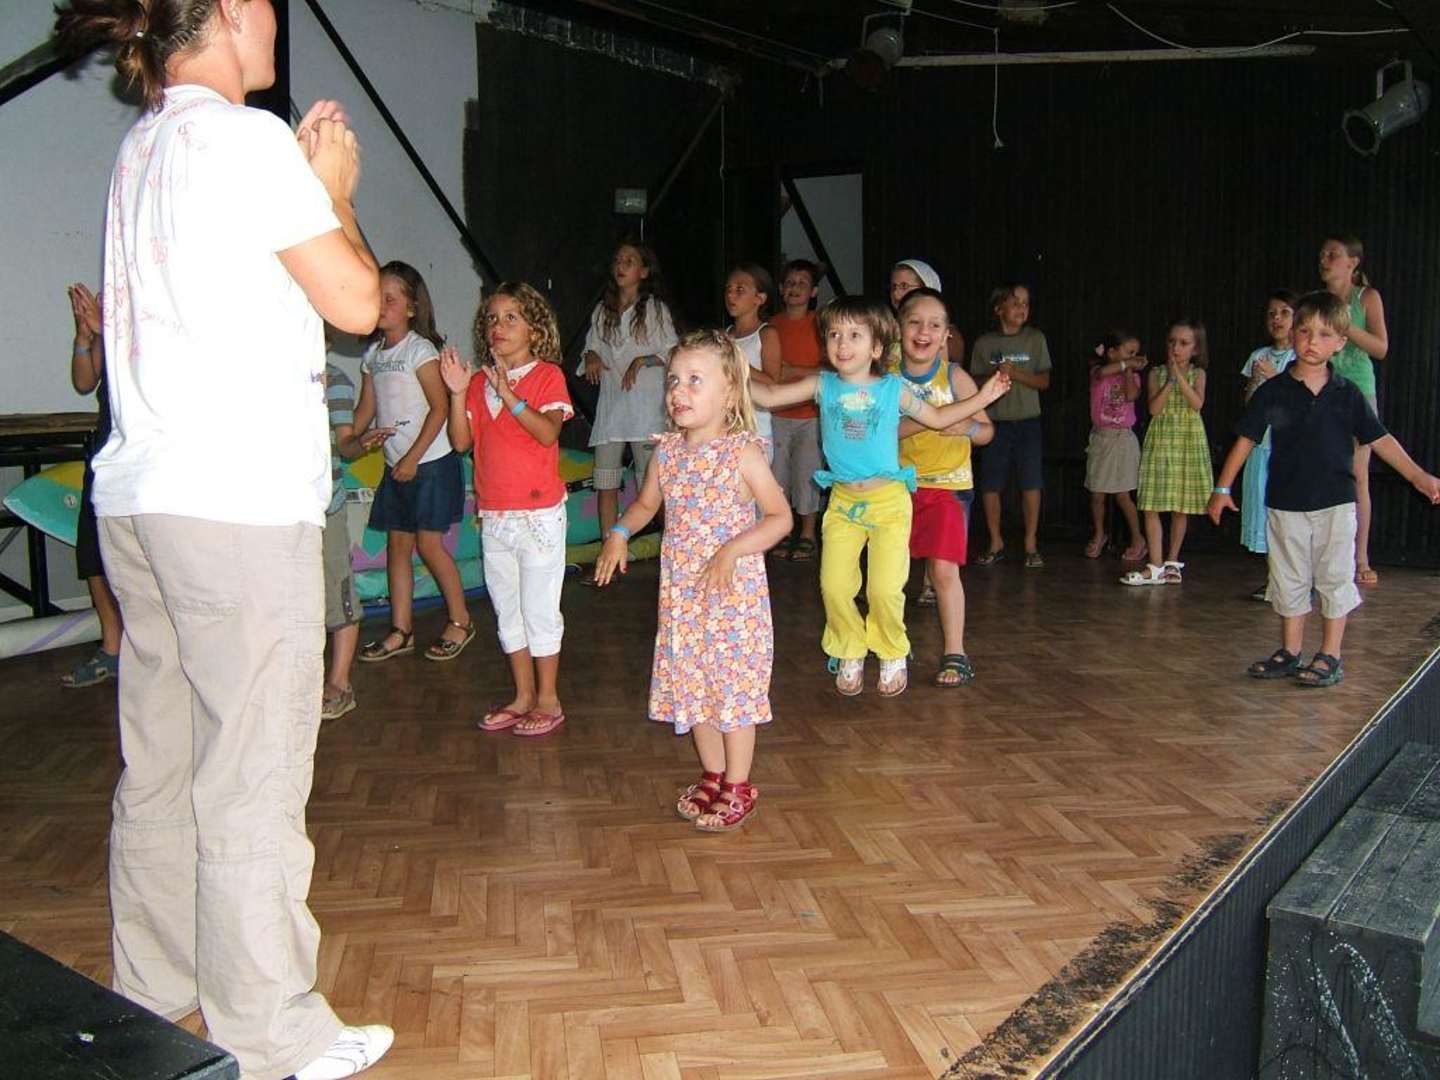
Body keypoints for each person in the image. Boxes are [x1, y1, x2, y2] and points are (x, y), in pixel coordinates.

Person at [53, 0, 393, 1075]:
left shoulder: (143, 145)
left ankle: (153, 995)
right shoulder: (245, 138)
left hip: (141, 500)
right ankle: (273, 1032)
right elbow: (358, 303)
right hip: (236, 504)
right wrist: (334, 189)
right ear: (237, 12)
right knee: (250, 772)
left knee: (161, 765)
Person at [750, 297, 1010, 697]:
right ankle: (849, 648)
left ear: (876, 348)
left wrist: (984, 397)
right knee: (834, 587)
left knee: (884, 590)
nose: (842, 344)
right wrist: (726, 372)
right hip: (843, 503)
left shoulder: (893, 389)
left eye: (854, 335)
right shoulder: (822, 385)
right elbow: (768, 397)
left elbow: (938, 417)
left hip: (889, 502)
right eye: (834, 334)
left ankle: (891, 650)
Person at [593, 329, 791, 832]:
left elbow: (779, 518)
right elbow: (645, 505)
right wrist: (619, 532)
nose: (678, 391)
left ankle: (738, 784)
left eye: (695, 380)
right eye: (674, 380)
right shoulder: (667, 453)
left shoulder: (742, 453)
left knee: (733, 690)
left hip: (733, 601)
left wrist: (732, 549)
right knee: (693, 685)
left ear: (729, 391)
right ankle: (713, 773)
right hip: (683, 598)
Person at [1208, 291, 1439, 687]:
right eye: (1304, 331)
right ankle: (1290, 650)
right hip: (1286, 504)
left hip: (1336, 505)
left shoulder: (1347, 394)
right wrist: (1222, 487)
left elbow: (1381, 439)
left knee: (1334, 576)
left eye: (1324, 334)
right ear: (1293, 334)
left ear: (1340, 343)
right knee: (1288, 577)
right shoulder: (1274, 392)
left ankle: (1330, 654)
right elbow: (1246, 439)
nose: (1312, 341)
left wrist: (1420, 477)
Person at [441, 283, 573, 737]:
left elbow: (547, 433)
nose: (499, 326)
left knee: (540, 609)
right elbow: (461, 442)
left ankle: (548, 699)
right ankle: (522, 696)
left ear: (535, 329)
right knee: (508, 610)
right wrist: (458, 393)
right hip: (495, 515)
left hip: (538, 516)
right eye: (492, 319)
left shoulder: (547, 376)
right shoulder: (479, 383)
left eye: (511, 317)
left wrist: (510, 395)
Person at [353, 261, 473, 663]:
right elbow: (366, 410)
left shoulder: (419, 350)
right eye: (378, 297)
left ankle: (461, 620)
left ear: (411, 307)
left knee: (428, 544)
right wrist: (349, 438)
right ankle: (401, 630)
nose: (381, 304)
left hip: (431, 462)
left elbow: (440, 408)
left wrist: (411, 458)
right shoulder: (373, 355)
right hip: (398, 464)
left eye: (391, 298)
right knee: (397, 545)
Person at [891, 288, 994, 687]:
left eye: (934, 325)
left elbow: (986, 432)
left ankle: (955, 651)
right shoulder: (886, 379)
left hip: (948, 487)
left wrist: (965, 425)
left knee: (943, 569)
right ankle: (893, 643)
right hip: (897, 487)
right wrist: (931, 418)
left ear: (946, 334)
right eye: (914, 322)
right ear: (898, 328)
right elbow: (884, 432)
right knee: (891, 571)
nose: (924, 332)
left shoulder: (955, 377)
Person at [579, 241, 678, 574]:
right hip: (612, 410)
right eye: (618, 260)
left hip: (646, 411)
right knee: (606, 482)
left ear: (644, 271)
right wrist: (591, 357)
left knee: (653, 486)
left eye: (630, 261)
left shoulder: (656, 310)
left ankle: (676, 550)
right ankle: (608, 554)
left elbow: (673, 351)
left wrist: (643, 360)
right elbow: (590, 348)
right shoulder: (601, 312)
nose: (621, 266)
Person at [60, 282, 124, 688]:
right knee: (93, 551)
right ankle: (112, 648)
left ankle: (147, 650)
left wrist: (110, 331)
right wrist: (85, 338)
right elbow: (84, 382)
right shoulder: (110, 313)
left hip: (144, 449)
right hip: (105, 449)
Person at [322, 356, 390, 720]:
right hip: (280, 511)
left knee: (339, 591)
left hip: (324, 505)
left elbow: (345, 443)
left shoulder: (333, 380)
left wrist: (362, 443)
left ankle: (340, 684)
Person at [1319, 235, 1389, 586]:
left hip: (1359, 392)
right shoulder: (1318, 301)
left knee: (1358, 475)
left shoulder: (1366, 298)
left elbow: (1381, 348)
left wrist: (1345, 326)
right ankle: (1324, 555)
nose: (1324, 259)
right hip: (1322, 390)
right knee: (1322, 471)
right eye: (1322, 254)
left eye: (1332, 254)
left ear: (1352, 262)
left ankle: (1360, 557)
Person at [1121, 319, 1213, 586]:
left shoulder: (1198, 374)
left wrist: (1180, 378)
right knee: (1151, 504)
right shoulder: (1156, 374)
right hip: (1161, 439)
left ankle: (1172, 561)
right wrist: (1170, 380)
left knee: (1180, 506)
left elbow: (1196, 403)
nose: (1176, 348)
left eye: (1183, 343)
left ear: (1195, 348)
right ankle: (1155, 564)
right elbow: (1153, 408)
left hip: (1187, 440)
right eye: (1172, 342)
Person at [969, 283, 1051, 568]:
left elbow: (1044, 381)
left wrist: (1016, 374)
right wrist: (995, 375)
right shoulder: (984, 343)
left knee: (1031, 482)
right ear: (999, 309)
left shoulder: (1035, 339)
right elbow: (972, 383)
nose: (1021, 309)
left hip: (1028, 422)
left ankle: (1030, 543)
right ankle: (995, 541)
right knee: (991, 483)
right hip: (995, 423)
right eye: (1015, 303)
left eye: (1026, 304)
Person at [1239, 291, 1297, 600]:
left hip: (1287, 447)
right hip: (1261, 443)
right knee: (1263, 509)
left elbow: (1298, 400)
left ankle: (1295, 581)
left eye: (1284, 313)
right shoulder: (1258, 355)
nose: (1277, 319)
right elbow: (1250, 403)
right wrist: (1255, 382)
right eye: (1272, 313)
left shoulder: (1300, 357)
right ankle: (1274, 578)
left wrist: (1274, 377)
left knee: (1287, 511)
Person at [769, 259, 824, 560]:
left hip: (810, 414)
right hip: (777, 413)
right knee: (777, 475)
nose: (795, 288)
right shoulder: (771, 326)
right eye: (790, 283)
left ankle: (807, 533)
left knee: (807, 473)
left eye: (802, 283)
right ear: (780, 288)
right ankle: (782, 530)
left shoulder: (820, 325)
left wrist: (793, 371)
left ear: (813, 291)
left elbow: (831, 370)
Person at [1084, 330, 1147, 563]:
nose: (1134, 357)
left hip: (1122, 439)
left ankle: (1138, 539)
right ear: (1111, 352)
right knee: (1097, 493)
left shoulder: (1132, 376)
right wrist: (1126, 363)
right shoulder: (1098, 373)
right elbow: (1103, 372)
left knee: (1123, 494)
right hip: (1102, 438)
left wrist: (1129, 369)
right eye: (1129, 352)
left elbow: (1131, 396)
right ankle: (1099, 533)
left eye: (1136, 353)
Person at [725, 262, 781, 455]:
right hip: (727, 431)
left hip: (756, 431)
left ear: (760, 298)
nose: (730, 295)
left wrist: (738, 363)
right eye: (729, 289)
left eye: (739, 290)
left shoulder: (766, 334)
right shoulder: (726, 334)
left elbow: (772, 382)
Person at [888, 258, 963, 362]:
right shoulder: (887, 327)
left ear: (926, 288)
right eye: (894, 287)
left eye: (904, 286)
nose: (896, 293)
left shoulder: (946, 334)